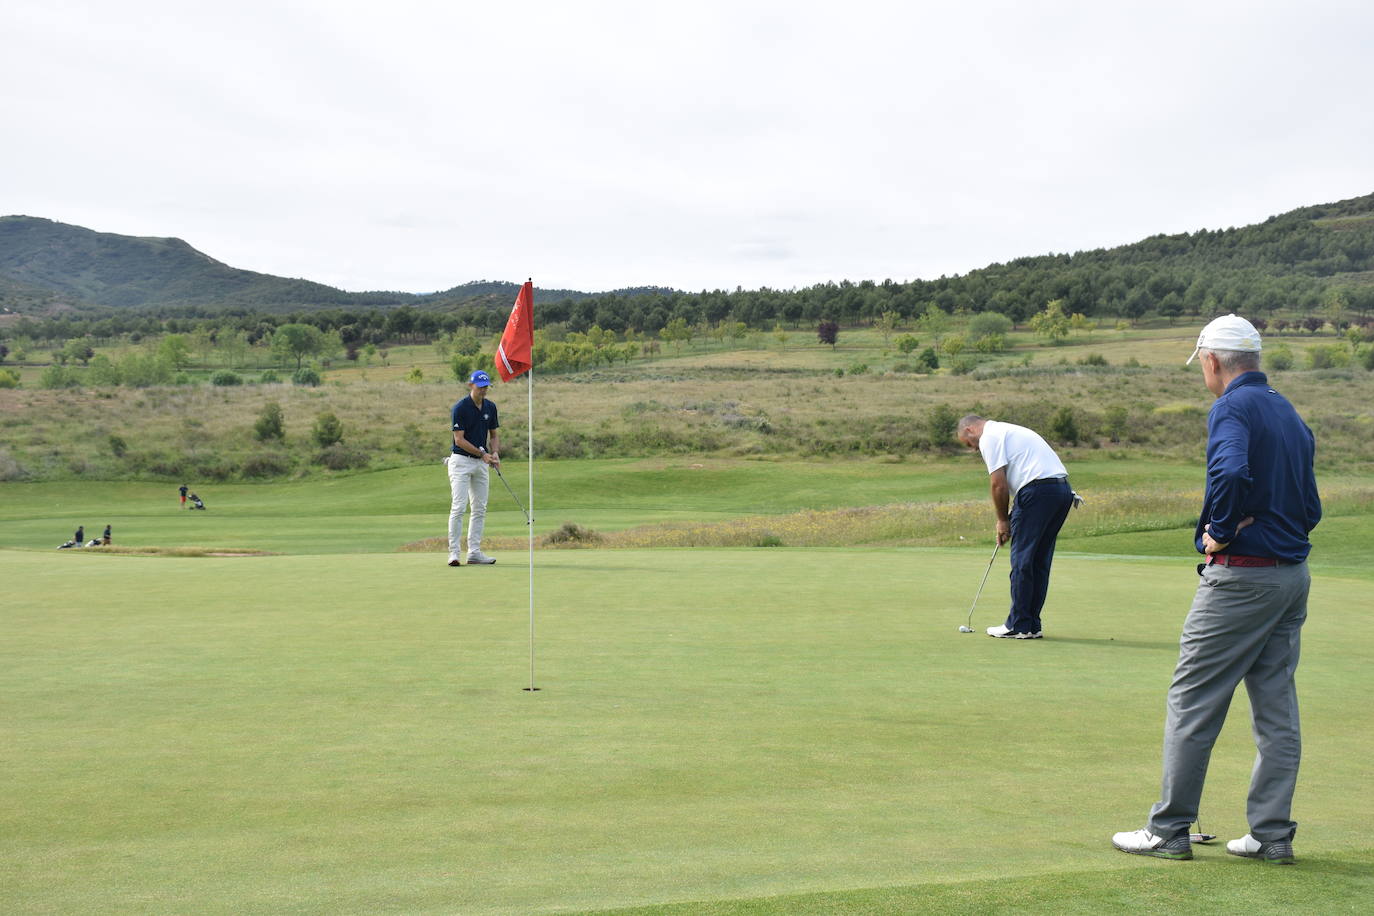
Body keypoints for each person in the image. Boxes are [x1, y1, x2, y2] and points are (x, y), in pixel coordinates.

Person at [1112, 314, 1321, 865]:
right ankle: (1271, 834)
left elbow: (1229, 474)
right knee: (1276, 709)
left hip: (1243, 576)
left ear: (1211, 360)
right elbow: (1312, 505)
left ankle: (1169, 829)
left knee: (1193, 700)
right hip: (1291, 576)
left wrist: (1219, 531)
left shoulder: (1231, 406)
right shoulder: (1285, 409)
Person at [955, 415, 1077, 638]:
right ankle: (1031, 625)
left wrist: (1003, 520)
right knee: (1038, 561)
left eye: (968, 443)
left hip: (1037, 491)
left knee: (1022, 560)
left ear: (970, 430)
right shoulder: (1007, 430)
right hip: (1061, 492)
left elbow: (998, 484)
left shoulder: (989, 437)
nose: (973, 449)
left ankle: (1018, 625)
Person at [446, 369, 500, 566]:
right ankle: (454, 553)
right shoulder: (460, 408)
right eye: (480, 387)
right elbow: (459, 440)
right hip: (460, 461)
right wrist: (483, 454)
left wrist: (494, 453)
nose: (483, 390)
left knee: (479, 508)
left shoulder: (490, 407)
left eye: (486, 387)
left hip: (481, 463)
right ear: (471, 385)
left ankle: (474, 552)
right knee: (459, 507)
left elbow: (493, 435)